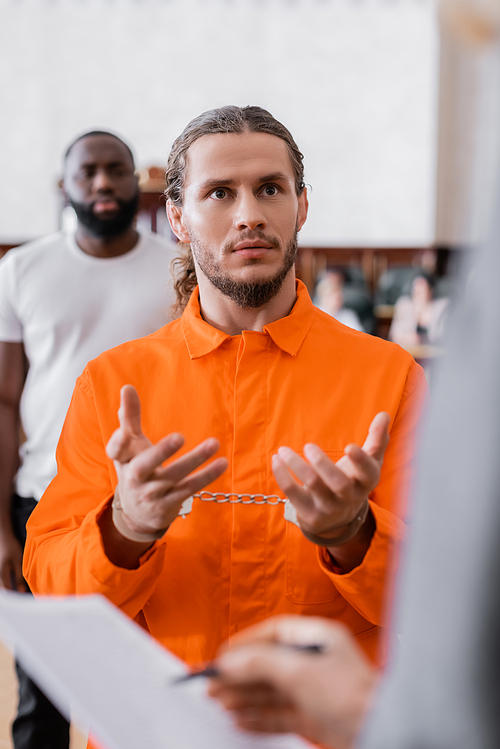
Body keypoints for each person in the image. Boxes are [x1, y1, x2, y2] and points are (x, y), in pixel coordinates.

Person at [24, 107, 426, 745]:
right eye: (219, 193)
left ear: (301, 206)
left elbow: (439, 603)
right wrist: (125, 530)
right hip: (154, 730)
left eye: (271, 188)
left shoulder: (389, 378)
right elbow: (53, 586)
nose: (249, 215)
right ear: (178, 218)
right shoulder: (112, 382)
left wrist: (354, 536)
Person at [0, 130, 177, 749]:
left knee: (140, 684)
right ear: (66, 185)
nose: (103, 183)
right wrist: (0, 523)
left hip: (154, 504)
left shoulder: (178, 269)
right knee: (42, 693)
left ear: (137, 181)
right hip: (46, 501)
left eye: (116, 170)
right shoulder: (21, 269)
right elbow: (3, 401)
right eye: (88, 173)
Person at [389, 272, 449, 348]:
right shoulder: (404, 305)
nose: (418, 291)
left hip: (432, 354)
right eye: (415, 288)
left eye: (422, 287)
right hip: (410, 351)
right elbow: (394, 334)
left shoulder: (441, 307)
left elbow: (444, 337)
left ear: (431, 290)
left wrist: (422, 339)